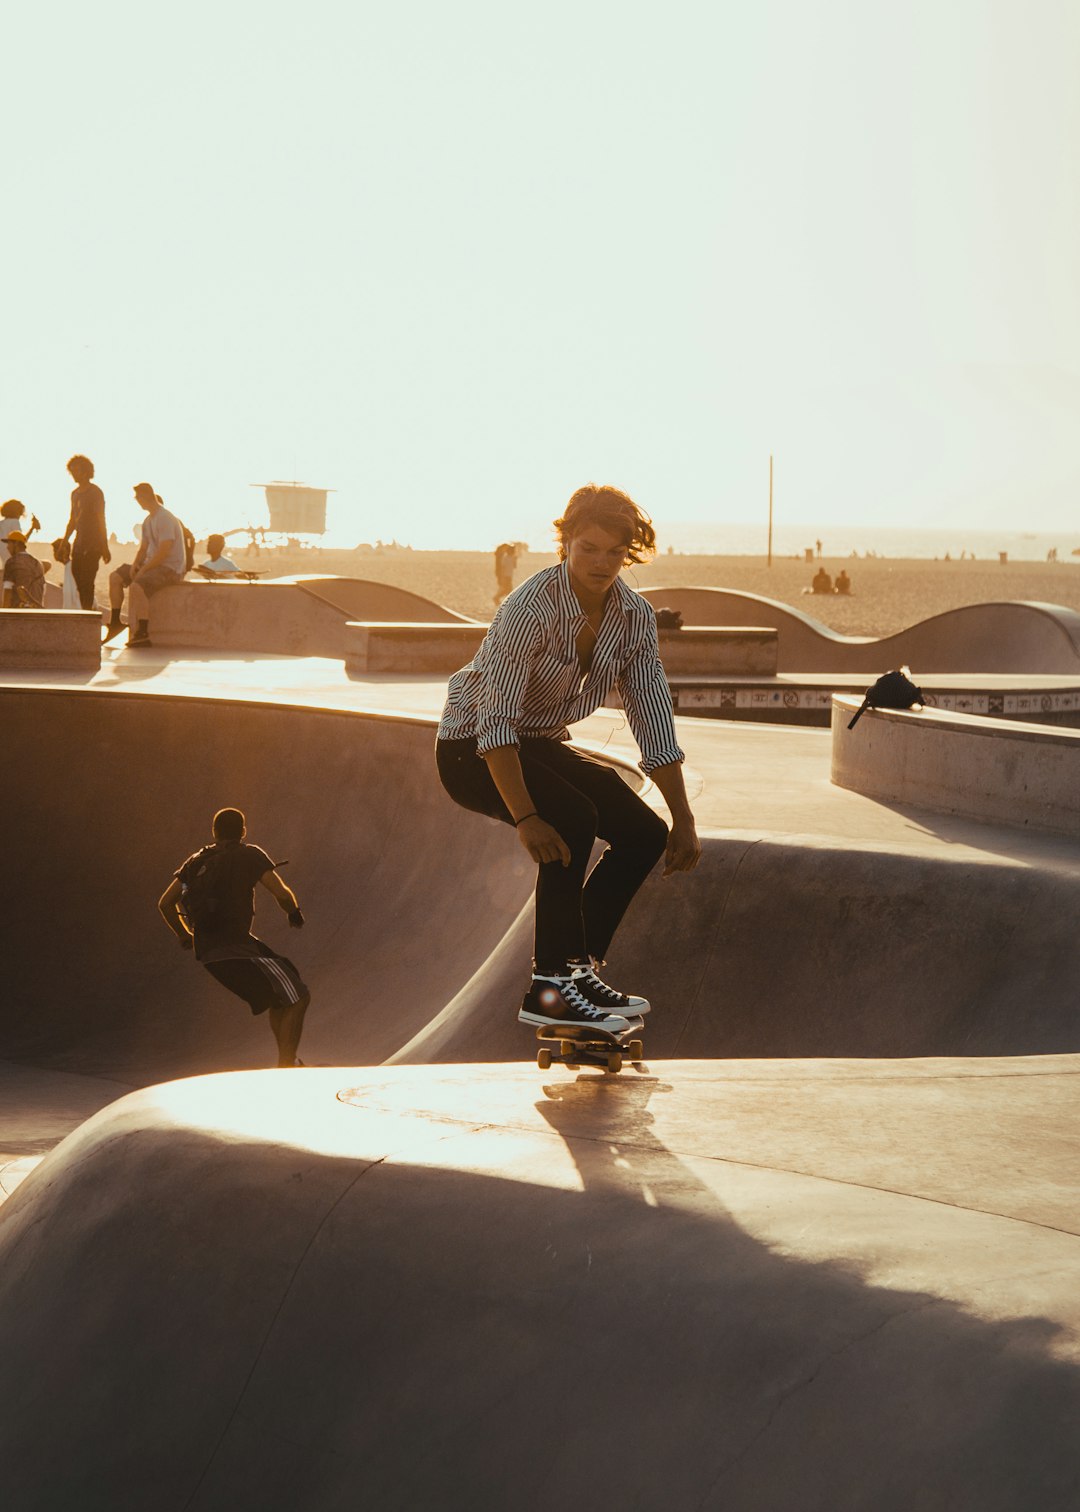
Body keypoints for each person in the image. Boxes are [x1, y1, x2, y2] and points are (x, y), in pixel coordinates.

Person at [437, 483, 701, 1037]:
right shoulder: (529, 608)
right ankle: (549, 989)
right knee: (572, 818)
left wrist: (684, 817)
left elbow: (652, 720)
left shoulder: (633, 617)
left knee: (643, 832)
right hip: (472, 748)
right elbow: (496, 722)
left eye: (613, 552)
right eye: (588, 549)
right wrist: (528, 818)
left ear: (629, 552)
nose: (601, 563)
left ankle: (578, 972)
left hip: (538, 742)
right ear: (565, 544)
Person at [157, 807, 311, 1068]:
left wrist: (185, 935)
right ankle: (286, 1066)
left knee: (278, 998)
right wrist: (294, 913)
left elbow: (166, 903)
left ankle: (288, 1062)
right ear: (243, 831)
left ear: (214, 832)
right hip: (237, 947)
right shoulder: (249, 855)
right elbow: (281, 893)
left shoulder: (195, 862)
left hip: (208, 952)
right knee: (299, 996)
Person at [103, 482, 186, 646]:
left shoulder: (165, 518)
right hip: (153, 565)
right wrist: (135, 565)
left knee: (137, 586)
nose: (137, 501)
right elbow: (144, 547)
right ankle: (115, 622)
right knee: (115, 577)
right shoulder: (148, 520)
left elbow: (164, 550)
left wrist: (144, 570)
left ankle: (143, 633)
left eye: (138, 497)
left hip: (171, 568)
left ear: (147, 496)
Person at [62, 454, 110, 610]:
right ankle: (86, 610)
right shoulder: (74, 494)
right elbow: (72, 520)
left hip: (93, 544)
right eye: (72, 471)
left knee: (87, 581)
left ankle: (88, 613)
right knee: (77, 578)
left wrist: (104, 547)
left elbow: (101, 519)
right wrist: (64, 542)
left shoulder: (96, 492)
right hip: (78, 543)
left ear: (86, 471)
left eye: (77, 471)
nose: (74, 475)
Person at [3, 532, 48, 608]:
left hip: (19, 613)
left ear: (16, 544)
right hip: (37, 613)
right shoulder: (38, 563)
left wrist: (3, 616)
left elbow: (8, 592)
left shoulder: (11, 562)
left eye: (9, 543)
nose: (7, 547)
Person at [52, 538, 79, 609]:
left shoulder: (71, 567)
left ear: (64, 550)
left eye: (55, 551)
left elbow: (74, 594)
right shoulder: (70, 566)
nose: (54, 554)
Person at [493, 541, 520, 605]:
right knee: (507, 590)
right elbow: (503, 568)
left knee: (507, 590)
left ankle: (498, 599)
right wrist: (502, 577)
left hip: (509, 576)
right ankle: (496, 598)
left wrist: (515, 560)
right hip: (505, 576)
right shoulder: (505, 557)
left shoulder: (511, 557)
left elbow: (514, 566)